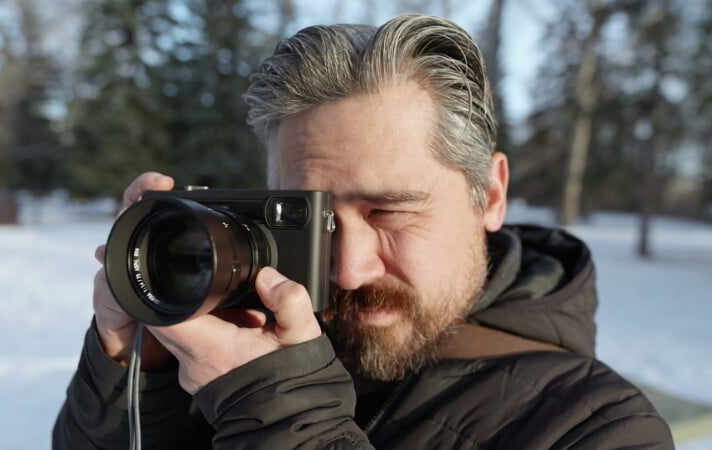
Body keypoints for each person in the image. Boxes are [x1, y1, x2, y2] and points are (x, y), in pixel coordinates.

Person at [53, 14, 674, 449]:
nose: (347, 270)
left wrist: (277, 415)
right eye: (310, 218)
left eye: (390, 212)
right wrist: (137, 361)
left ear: (489, 194)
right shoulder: (234, 349)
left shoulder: (598, 427)